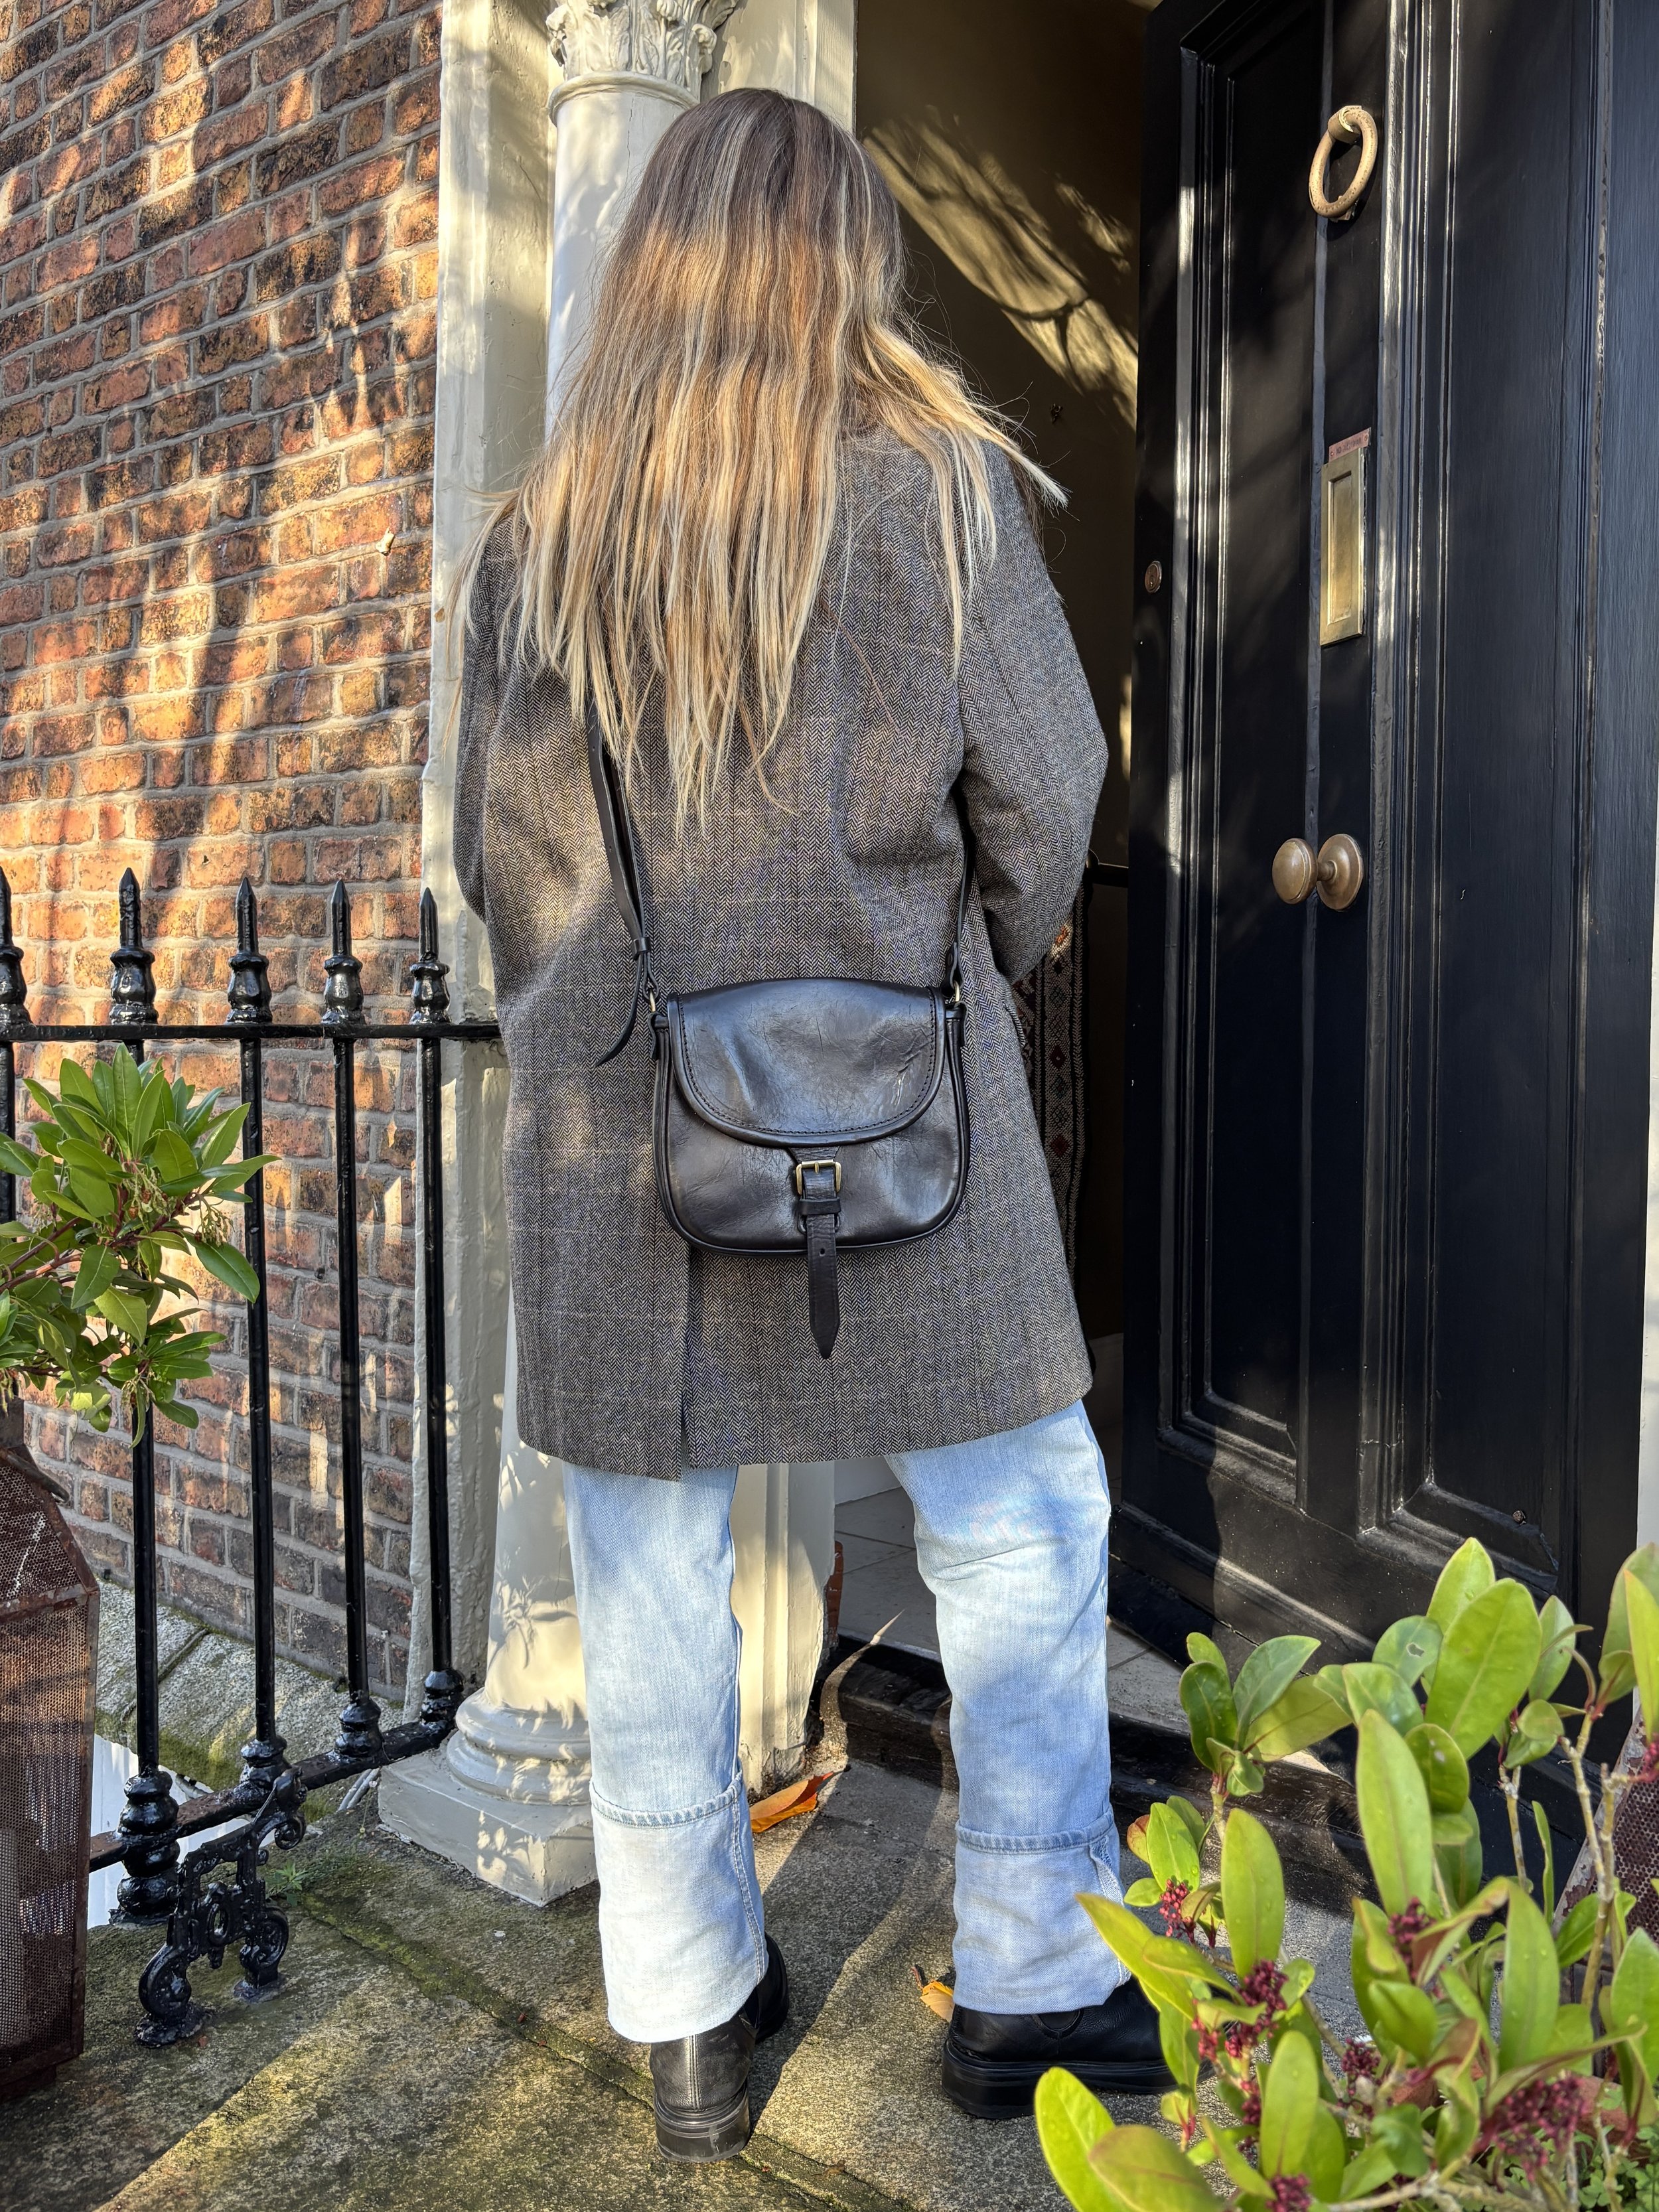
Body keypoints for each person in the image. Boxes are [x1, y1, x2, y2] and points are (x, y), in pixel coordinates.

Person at [451, 86, 1168, 2162]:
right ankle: (1030, 1971)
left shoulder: (543, 536)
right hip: (911, 1105)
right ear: (843, 260)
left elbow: (517, 866)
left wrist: (626, 1039)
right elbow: (1049, 797)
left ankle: (689, 2009)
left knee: (645, 1557)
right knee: (1021, 1523)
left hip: (624, 1129)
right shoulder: (942, 493)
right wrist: (939, 984)